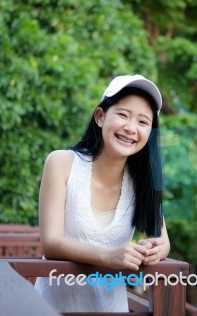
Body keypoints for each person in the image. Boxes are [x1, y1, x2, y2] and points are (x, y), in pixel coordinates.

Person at [34, 74, 170, 312]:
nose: (130, 128)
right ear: (100, 116)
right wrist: (108, 256)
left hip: (111, 308)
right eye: (123, 115)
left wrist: (156, 249)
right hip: (51, 307)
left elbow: (161, 240)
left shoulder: (145, 182)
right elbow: (51, 243)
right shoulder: (62, 163)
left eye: (143, 122)